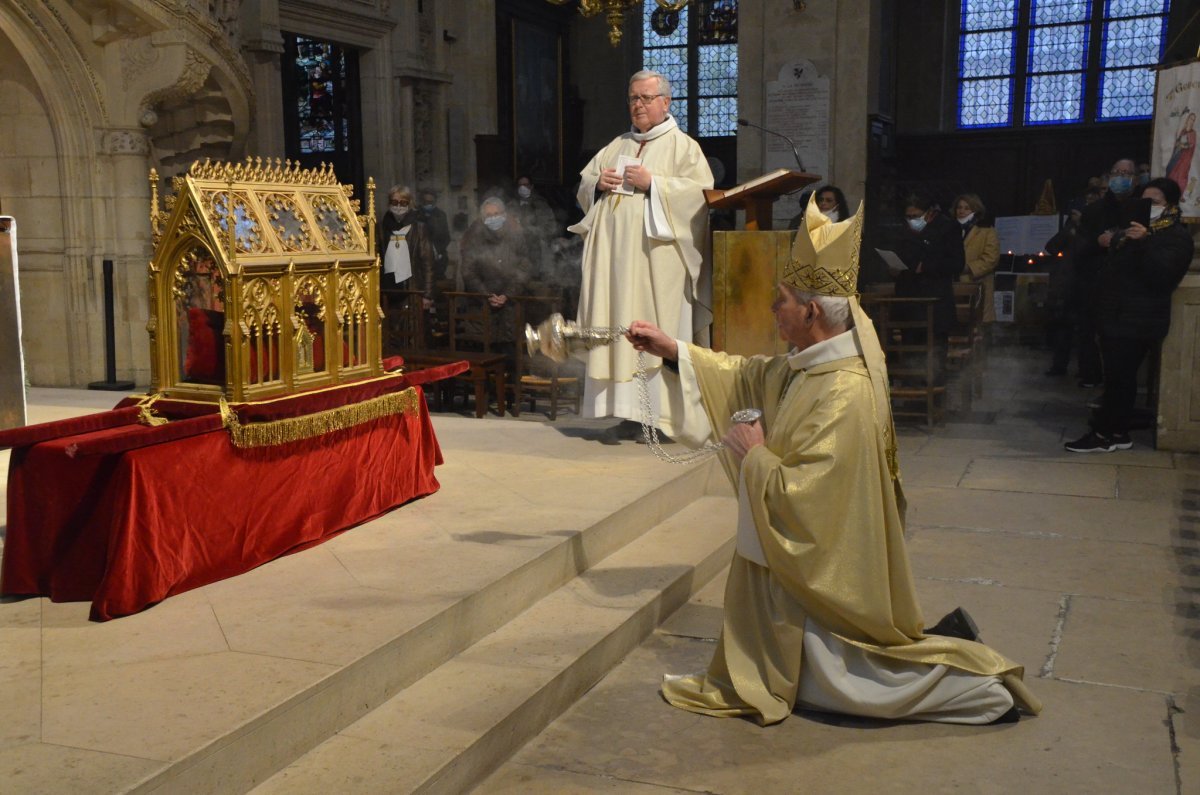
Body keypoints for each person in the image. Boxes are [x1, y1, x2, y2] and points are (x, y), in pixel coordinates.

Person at [624, 200, 1041, 726]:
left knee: (844, 685)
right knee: (811, 679)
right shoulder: (810, 366)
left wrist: (755, 458)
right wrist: (674, 350)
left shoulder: (844, 392)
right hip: (801, 581)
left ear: (811, 312)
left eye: (781, 302)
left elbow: (811, 501)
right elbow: (749, 374)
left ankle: (974, 688)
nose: (773, 311)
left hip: (826, 586)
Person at [570, 69, 714, 425]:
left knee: (655, 329)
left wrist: (656, 185)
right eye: (633, 98)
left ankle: (659, 417)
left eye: (646, 98)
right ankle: (621, 413)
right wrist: (596, 183)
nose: (638, 105)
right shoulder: (616, 145)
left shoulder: (685, 147)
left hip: (657, 265)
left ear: (665, 102)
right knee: (615, 326)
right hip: (613, 265)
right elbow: (585, 183)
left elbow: (701, 196)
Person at [1065, 178, 1195, 453]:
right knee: (1116, 378)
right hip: (1116, 315)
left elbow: (1161, 277)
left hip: (1139, 319)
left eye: (1155, 202)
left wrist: (1143, 243)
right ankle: (1119, 432)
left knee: (1120, 380)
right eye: (1144, 202)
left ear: (1170, 205)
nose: (1149, 208)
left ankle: (1104, 434)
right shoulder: (1128, 233)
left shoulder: (1174, 236)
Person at [1073, 159, 1140, 387]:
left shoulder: (1143, 207)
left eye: (1127, 173)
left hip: (1129, 283)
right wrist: (1098, 242)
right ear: (1110, 176)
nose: (1121, 177)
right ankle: (1091, 375)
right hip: (1095, 279)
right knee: (1089, 331)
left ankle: (1117, 384)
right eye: (1117, 172)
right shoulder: (1093, 211)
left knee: (1118, 339)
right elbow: (1079, 247)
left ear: (1135, 179)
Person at [458, 196, 534, 354]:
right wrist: (487, 294)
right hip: (481, 303)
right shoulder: (474, 236)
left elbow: (525, 267)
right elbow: (468, 271)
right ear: (483, 218)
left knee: (510, 352)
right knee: (483, 352)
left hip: (511, 303)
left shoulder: (515, 234)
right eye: (489, 215)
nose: (493, 218)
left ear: (504, 214)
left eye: (496, 214)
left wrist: (508, 294)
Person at [894, 193, 965, 338]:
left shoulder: (948, 227)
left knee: (936, 347)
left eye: (916, 216)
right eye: (909, 216)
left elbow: (957, 263)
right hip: (908, 297)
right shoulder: (904, 228)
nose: (912, 220)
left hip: (936, 298)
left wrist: (926, 266)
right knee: (910, 346)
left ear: (929, 212)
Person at [377, 185, 437, 342]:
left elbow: (428, 263)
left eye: (403, 203)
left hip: (412, 287)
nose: (398, 206)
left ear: (410, 204)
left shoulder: (419, 228)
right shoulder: (381, 227)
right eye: (394, 202)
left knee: (413, 334)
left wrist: (428, 295)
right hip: (388, 289)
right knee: (390, 334)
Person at [952, 193, 1000, 325]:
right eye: (959, 207)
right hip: (953, 284)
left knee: (979, 324)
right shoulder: (950, 230)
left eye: (967, 208)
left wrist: (968, 267)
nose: (961, 211)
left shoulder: (987, 231)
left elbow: (991, 259)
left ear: (975, 210)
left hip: (976, 283)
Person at [509, 175, 560, 280]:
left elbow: (550, 228)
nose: (523, 187)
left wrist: (527, 229)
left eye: (526, 185)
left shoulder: (541, 204)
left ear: (531, 187)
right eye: (520, 185)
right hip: (516, 252)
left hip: (538, 252)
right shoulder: (511, 205)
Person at [417, 188, 452, 284]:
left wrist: (437, 251)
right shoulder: (416, 214)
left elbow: (446, 237)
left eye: (431, 202)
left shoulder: (441, 215)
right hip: (420, 260)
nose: (428, 204)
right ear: (421, 201)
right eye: (426, 202)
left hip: (438, 258)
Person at [1166, 113, 1196, 195]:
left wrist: (1182, 145)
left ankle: (1180, 193)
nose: (1191, 121)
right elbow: (1178, 142)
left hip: (1185, 158)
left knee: (1181, 175)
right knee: (1172, 171)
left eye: (1193, 120)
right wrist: (1177, 143)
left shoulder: (1192, 133)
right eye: (1190, 118)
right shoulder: (1183, 131)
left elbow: (1191, 145)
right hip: (1178, 155)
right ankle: (1171, 191)